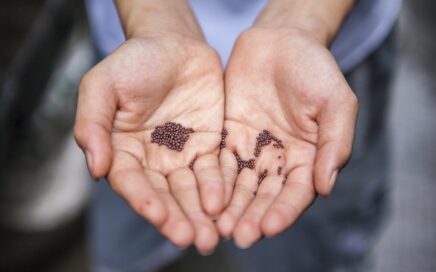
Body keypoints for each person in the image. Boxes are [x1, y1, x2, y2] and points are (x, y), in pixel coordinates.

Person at [74, 0, 401, 271]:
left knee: (313, 252)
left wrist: (303, 18)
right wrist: (152, 15)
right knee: (133, 226)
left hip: (317, 66)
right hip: (145, 79)